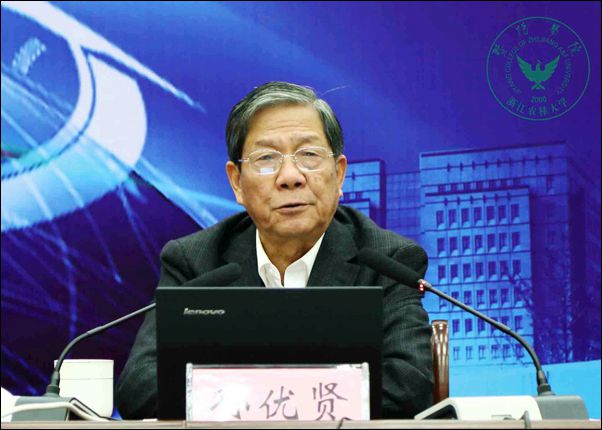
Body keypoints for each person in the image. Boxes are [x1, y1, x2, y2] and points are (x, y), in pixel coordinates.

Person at [116, 81, 433, 419]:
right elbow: (140, 388)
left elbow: (410, 386)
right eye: (266, 158)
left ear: (339, 175)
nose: (290, 177)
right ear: (237, 182)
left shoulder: (387, 260)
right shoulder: (196, 263)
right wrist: (293, 395)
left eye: (309, 155)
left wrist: (244, 395)